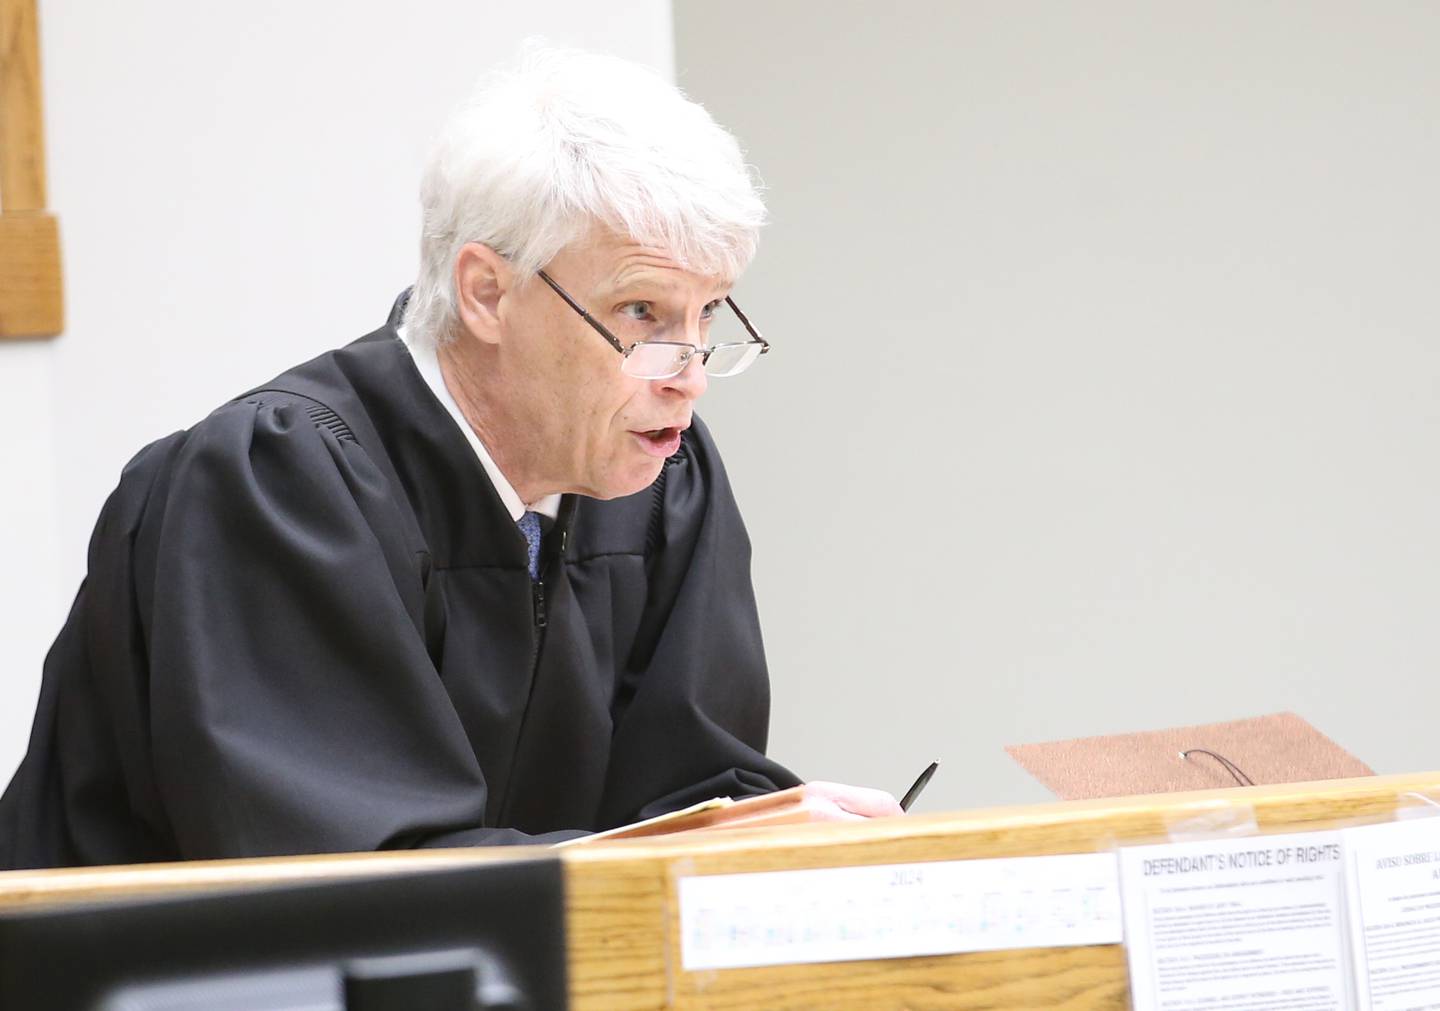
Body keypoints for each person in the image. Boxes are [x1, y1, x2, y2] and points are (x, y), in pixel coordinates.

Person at [0, 44, 901, 869]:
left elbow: (698, 802)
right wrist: (693, 854)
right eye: (642, 314)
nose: (690, 375)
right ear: (486, 292)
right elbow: (351, 885)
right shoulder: (278, 482)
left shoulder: (662, 478)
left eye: (709, 316)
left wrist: (772, 847)